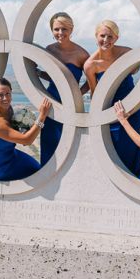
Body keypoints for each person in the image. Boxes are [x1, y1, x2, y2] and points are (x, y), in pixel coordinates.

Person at [83, 20, 140, 174]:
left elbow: (135, 69)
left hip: (133, 109)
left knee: (133, 149)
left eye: (110, 36)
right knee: (115, 153)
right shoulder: (90, 65)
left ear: (116, 38)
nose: (106, 40)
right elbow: (95, 94)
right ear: (96, 36)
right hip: (110, 115)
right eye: (102, 36)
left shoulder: (126, 53)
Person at [38, 12, 89, 165]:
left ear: (71, 30)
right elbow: (54, 77)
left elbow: (92, 80)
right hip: (51, 102)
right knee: (49, 143)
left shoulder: (82, 54)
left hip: (71, 105)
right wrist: (39, 73)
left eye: (64, 29)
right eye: (56, 29)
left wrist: (78, 94)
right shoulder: (49, 50)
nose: (60, 33)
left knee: (69, 145)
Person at [0, 78, 51, 181]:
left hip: (10, 154)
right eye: (0, 95)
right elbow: (27, 140)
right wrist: (42, 116)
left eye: (8, 93)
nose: (6, 98)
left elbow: (16, 132)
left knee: (37, 167)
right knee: (36, 172)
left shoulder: (8, 109)